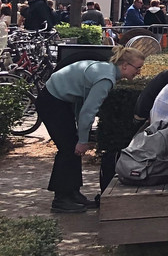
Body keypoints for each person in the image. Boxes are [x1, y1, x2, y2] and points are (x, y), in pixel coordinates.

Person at [36, 45, 146, 212]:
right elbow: (88, 112)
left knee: (70, 146)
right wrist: (82, 140)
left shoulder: (106, 70)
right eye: (137, 68)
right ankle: (61, 200)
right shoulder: (106, 79)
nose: (139, 72)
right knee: (68, 149)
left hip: (56, 98)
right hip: (52, 101)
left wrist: (81, 136)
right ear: (124, 65)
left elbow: (82, 101)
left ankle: (72, 193)